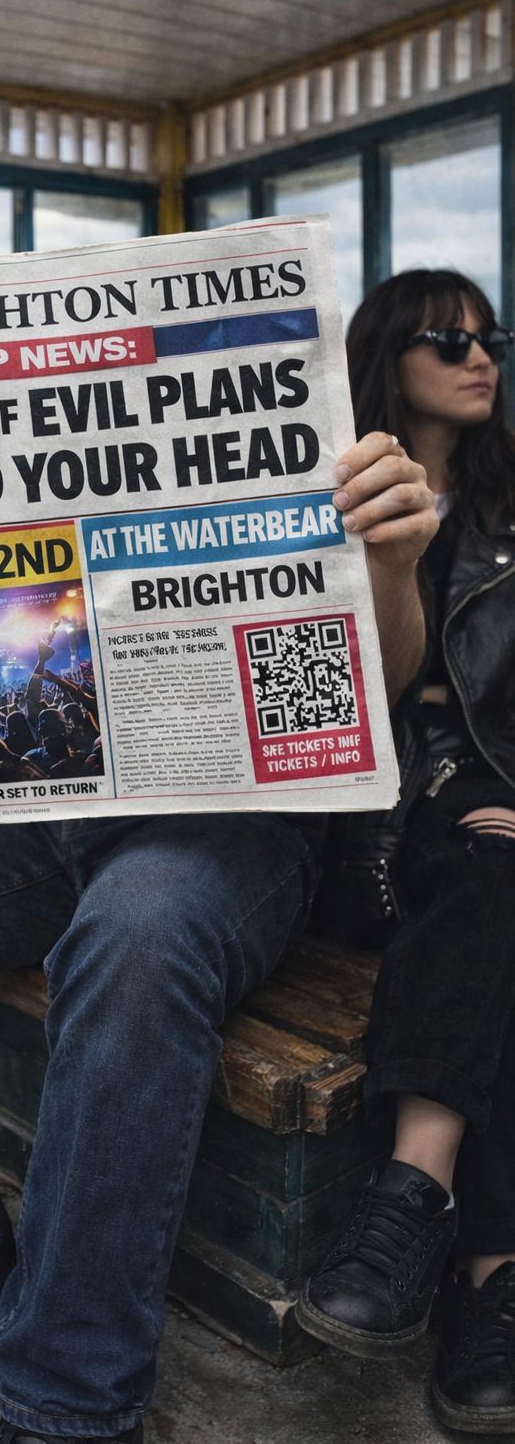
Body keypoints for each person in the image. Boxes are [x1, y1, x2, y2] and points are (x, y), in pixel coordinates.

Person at [0, 425, 436, 1443]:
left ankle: (69, 1403)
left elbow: (378, 688)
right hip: (17, 816)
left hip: (221, 820)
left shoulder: (321, 441)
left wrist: (391, 566)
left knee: (136, 949)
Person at [295, 270, 515, 1434]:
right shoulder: (322, 496)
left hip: (486, 815)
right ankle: (489, 1285)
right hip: (362, 822)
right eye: (447, 339)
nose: (480, 360)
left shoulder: (510, 507)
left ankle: (412, 1205)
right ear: (389, 354)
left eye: (489, 340)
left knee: (500, 875)